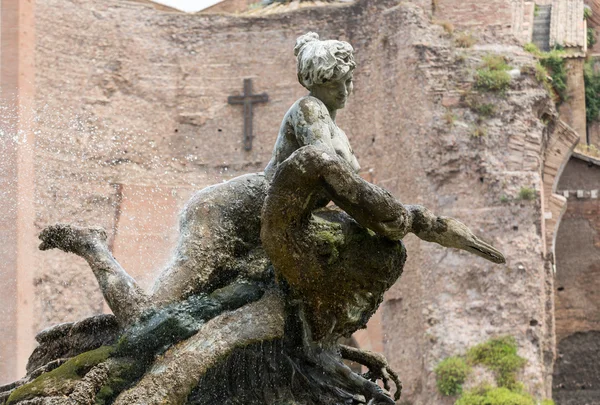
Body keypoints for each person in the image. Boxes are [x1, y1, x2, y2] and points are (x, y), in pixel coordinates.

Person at [38, 33, 504, 329]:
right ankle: (94, 246)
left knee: (188, 316)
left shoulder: (335, 127)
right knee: (148, 320)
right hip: (226, 211)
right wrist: (407, 220)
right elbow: (338, 178)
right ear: (320, 81)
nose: (347, 86)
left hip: (269, 221)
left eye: (347, 78)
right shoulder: (309, 113)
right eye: (338, 79)